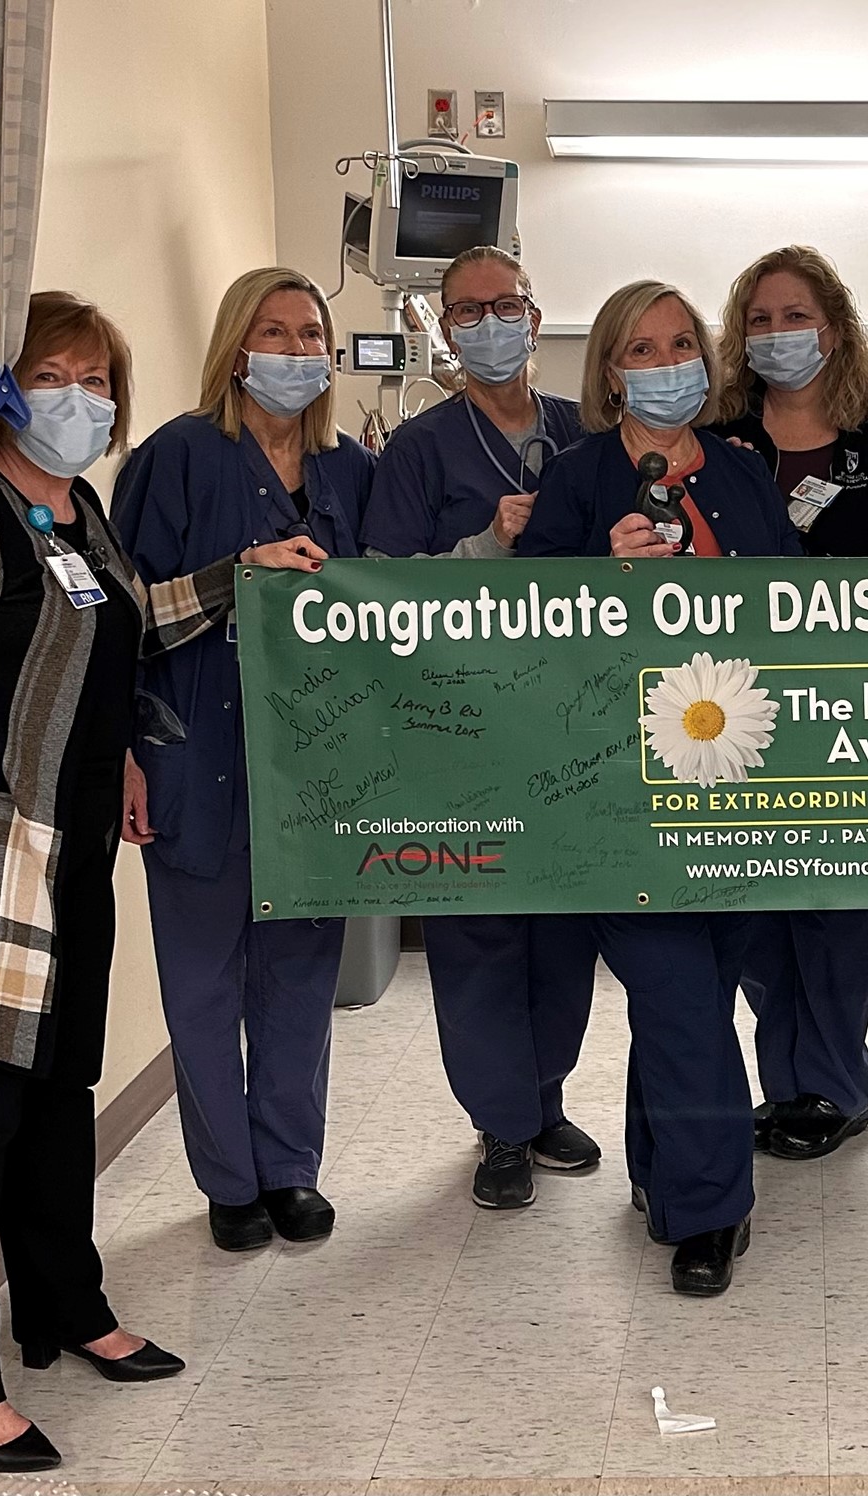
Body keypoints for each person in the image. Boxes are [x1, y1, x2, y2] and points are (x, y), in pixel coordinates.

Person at [0, 291, 324, 1471]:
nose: (81, 399)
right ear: (2, 390)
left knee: (57, 1094)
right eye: (54, 374)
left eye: (99, 379)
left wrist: (238, 572)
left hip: (70, 864)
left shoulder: (74, 512)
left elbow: (127, 628)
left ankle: (65, 1303)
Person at [517, 279, 804, 1294]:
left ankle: (661, 1168)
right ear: (609, 371)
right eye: (643, 348)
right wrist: (599, 577)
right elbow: (521, 627)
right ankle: (712, 1209)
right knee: (679, 990)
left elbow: (796, 607)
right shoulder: (576, 480)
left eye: (683, 343)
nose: (668, 362)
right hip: (618, 791)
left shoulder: (742, 471)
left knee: (696, 995)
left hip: (736, 781)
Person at [114, 268, 372, 1251]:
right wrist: (235, 577)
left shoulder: (351, 471)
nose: (296, 350)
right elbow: (118, 619)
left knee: (300, 977)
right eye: (274, 331)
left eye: (311, 334)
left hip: (319, 770)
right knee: (203, 984)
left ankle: (289, 1169)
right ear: (235, 347)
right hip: (195, 757)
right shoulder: (176, 459)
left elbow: (399, 607)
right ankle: (229, 1181)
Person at [357, 246, 600, 1210]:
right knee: (479, 932)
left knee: (564, 929)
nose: (489, 324)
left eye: (506, 306)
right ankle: (499, 1124)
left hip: (572, 728)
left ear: (535, 319)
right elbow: (381, 590)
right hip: (462, 731)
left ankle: (544, 1102)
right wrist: (485, 546)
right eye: (467, 311)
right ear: (443, 329)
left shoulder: (586, 431)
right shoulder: (419, 450)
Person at [704, 245, 868, 1161]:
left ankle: (836, 1088)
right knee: (759, 912)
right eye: (758, 320)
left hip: (853, 710)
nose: (777, 334)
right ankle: (785, 1085)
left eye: (795, 316)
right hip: (738, 709)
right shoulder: (719, 433)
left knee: (841, 911)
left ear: (833, 329)